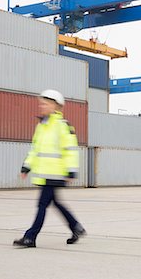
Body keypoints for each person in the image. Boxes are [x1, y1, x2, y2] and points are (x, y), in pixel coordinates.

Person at [13, 89, 86, 248]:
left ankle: (30, 237)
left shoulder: (62, 126)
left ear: (56, 106)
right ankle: (76, 227)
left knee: (42, 205)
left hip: (56, 173)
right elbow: (35, 149)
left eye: (46, 104)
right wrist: (27, 166)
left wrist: (71, 170)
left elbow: (71, 149)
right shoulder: (42, 126)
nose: (42, 106)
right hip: (45, 174)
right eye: (41, 103)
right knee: (55, 202)